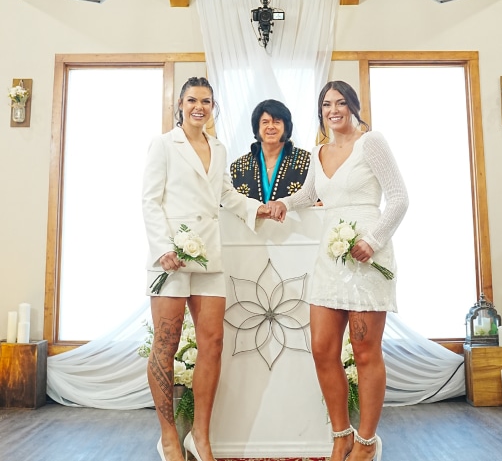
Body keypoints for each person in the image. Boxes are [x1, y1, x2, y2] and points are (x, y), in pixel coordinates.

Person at [266, 81, 408, 461]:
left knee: (365, 351)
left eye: (341, 103)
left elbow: (398, 196)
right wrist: (282, 203)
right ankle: (340, 434)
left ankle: (365, 443)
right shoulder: (319, 151)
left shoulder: (371, 142)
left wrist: (374, 240)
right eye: (327, 104)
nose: (334, 110)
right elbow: (310, 195)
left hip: (366, 256)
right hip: (330, 255)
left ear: (353, 106)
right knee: (322, 349)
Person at [142, 77, 268, 461]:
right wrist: (163, 248)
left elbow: (225, 193)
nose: (200, 106)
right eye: (193, 100)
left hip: (210, 257)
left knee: (212, 344)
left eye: (207, 101)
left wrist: (257, 207)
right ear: (179, 104)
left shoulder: (219, 147)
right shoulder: (163, 145)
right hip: (173, 258)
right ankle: (168, 437)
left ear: (214, 107)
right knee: (165, 345)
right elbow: (149, 201)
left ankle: (200, 435)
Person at [230, 99, 311, 203]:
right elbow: (228, 205)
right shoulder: (239, 167)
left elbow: (319, 200)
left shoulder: (307, 161)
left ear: (286, 127)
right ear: (257, 127)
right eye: (265, 122)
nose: (271, 126)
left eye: (277, 122)